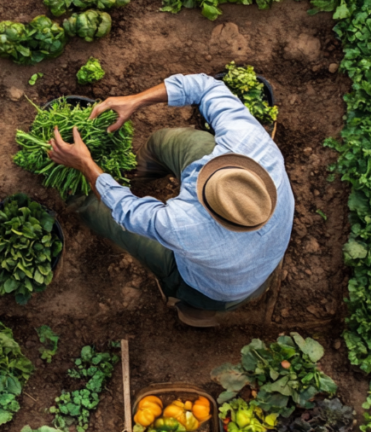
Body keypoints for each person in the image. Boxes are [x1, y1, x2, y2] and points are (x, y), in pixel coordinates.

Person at [46, 73, 294, 327]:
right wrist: (135, 100)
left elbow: (125, 210)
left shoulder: (187, 227)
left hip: (219, 288)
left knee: (105, 214)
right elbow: (206, 86)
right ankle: (135, 172)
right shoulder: (254, 143)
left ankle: (196, 310)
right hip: (265, 248)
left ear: (207, 209)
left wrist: (85, 164)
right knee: (169, 143)